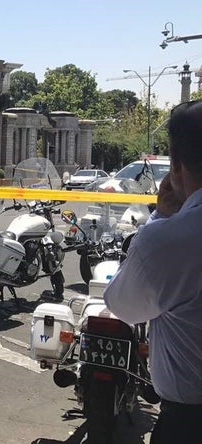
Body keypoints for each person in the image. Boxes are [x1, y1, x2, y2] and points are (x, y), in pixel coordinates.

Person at [104, 100, 202, 444]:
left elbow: (122, 305)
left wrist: (160, 216)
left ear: (175, 167)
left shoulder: (169, 239)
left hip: (189, 423)